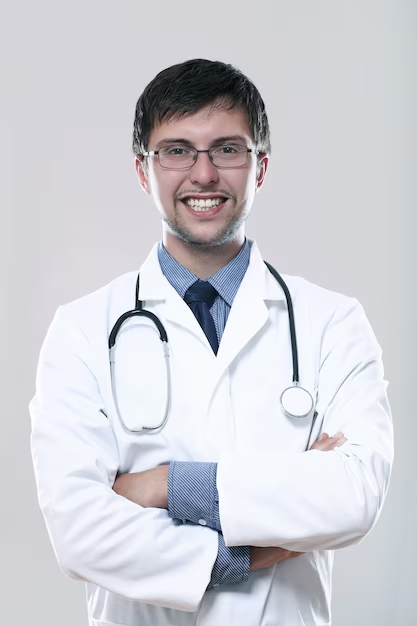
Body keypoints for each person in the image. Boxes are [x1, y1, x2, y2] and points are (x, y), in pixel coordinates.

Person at [30, 59, 393, 626]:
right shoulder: (81, 330)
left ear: (261, 167)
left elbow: (355, 494)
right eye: (176, 150)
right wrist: (248, 555)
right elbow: (78, 531)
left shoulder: (332, 322)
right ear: (143, 171)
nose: (203, 174)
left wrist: (166, 484)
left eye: (228, 149)